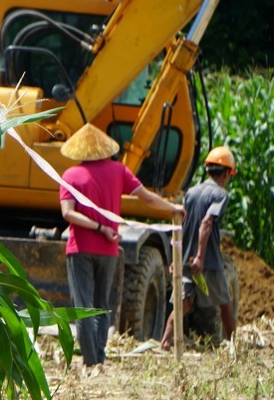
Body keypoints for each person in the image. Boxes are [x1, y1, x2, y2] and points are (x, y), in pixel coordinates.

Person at [58, 124, 184, 368]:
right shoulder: (118, 171)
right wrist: (173, 208)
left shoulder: (71, 175)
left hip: (81, 247)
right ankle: (100, 358)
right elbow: (147, 198)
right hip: (108, 249)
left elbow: (68, 214)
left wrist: (96, 227)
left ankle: (91, 362)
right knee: (102, 305)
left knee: (82, 307)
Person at [160, 146, 237, 351]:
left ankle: (165, 342)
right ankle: (235, 347)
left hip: (186, 257)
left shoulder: (192, 192)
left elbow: (182, 225)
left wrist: (177, 259)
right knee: (225, 303)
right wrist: (201, 257)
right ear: (227, 173)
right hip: (208, 260)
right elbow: (206, 222)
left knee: (183, 302)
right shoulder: (220, 194)